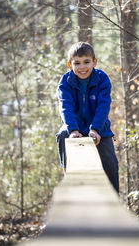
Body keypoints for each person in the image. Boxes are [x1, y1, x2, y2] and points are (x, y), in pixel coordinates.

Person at [56, 41, 119, 193]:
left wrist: (96, 128)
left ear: (94, 62)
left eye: (86, 62)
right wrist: (73, 129)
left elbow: (103, 106)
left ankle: (114, 199)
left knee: (110, 164)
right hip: (75, 126)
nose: (82, 67)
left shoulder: (102, 79)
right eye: (77, 63)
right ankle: (67, 170)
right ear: (70, 65)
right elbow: (65, 107)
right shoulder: (65, 81)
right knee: (62, 134)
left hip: (98, 127)